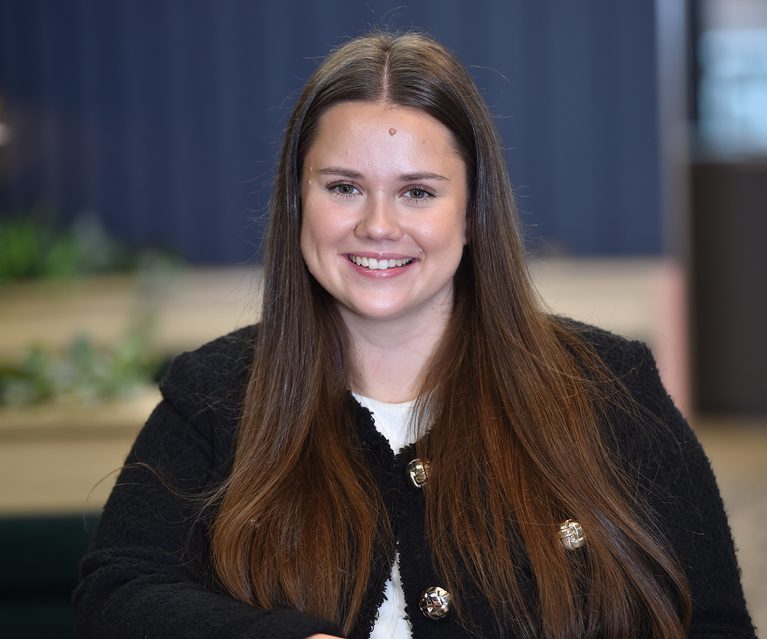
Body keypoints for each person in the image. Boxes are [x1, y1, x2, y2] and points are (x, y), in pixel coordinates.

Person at [73, 32, 756, 639]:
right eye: (342, 187)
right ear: (296, 200)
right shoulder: (213, 395)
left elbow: (713, 622)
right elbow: (116, 597)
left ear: (472, 212)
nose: (376, 224)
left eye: (417, 192)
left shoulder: (612, 388)